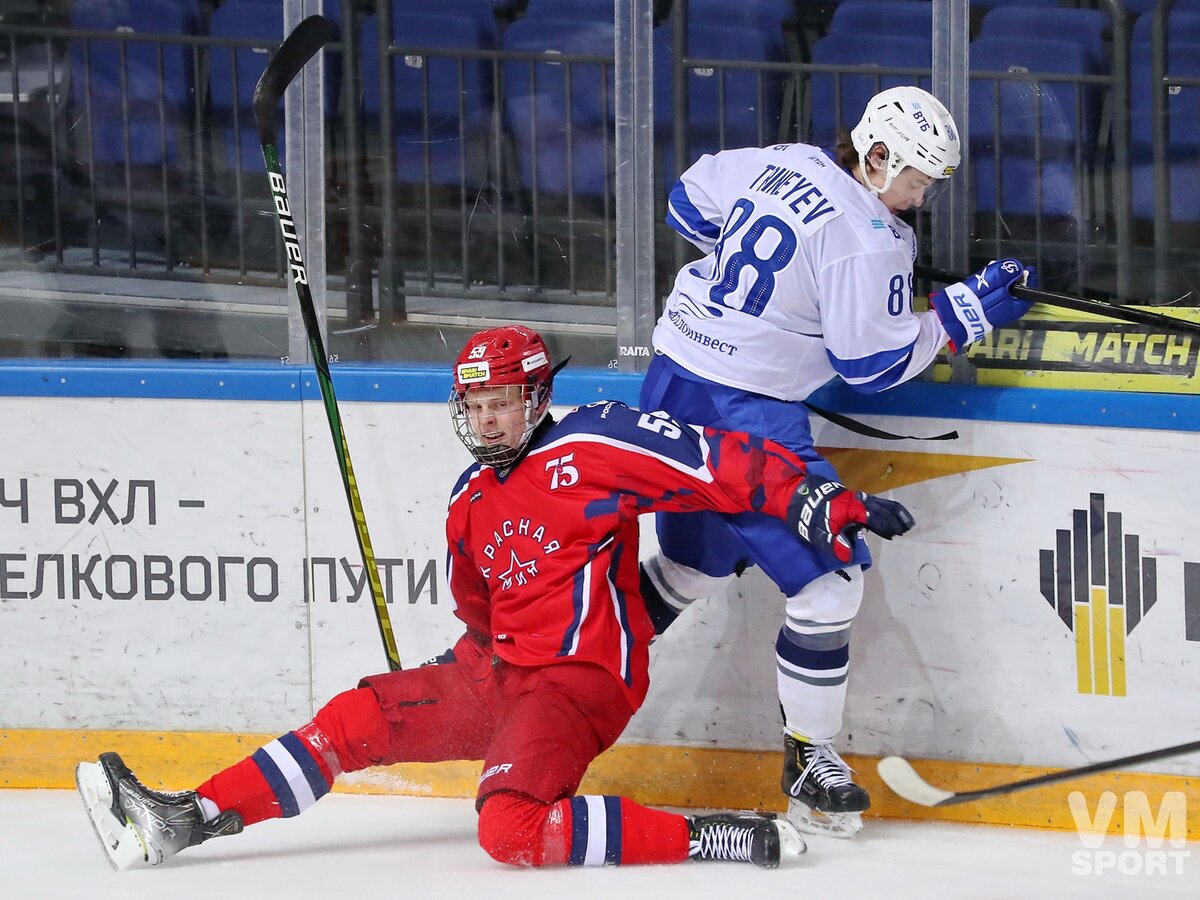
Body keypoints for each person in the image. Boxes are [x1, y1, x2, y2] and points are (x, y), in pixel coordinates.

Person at [76, 325, 916, 872]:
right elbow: (477, 612)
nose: (486, 422)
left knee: (508, 830)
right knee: (350, 719)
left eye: (501, 404)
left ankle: (711, 835)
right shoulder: (467, 499)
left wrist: (824, 501)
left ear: (535, 397)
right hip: (500, 672)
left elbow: (718, 460)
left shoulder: (595, 442)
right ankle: (191, 817)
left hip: (581, 683)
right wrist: (459, 673)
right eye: (474, 406)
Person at [637, 85, 1038, 838]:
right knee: (831, 581)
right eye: (916, 180)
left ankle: (553, 668)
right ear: (878, 157)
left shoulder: (786, 160)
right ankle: (809, 763)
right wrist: (965, 312)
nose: (919, 199)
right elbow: (873, 364)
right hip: (744, 415)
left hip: (671, 381)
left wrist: (784, 285)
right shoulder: (870, 236)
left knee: (691, 565)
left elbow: (686, 205)